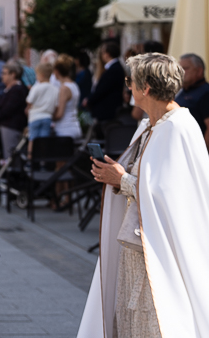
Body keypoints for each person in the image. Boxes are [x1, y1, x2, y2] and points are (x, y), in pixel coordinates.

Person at [78, 53, 209, 337]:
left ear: (146, 87)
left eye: (130, 81)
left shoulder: (178, 127)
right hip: (137, 242)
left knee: (153, 320)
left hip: (160, 247)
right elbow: (148, 178)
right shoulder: (150, 124)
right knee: (131, 318)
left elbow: (174, 194)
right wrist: (118, 173)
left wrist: (122, 179)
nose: (128, 88)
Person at [85, 41, 125, 137]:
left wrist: (90, 100)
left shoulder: (113, 69)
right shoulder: (113, 68)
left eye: (102, 52)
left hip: (107, 110)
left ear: (107, 54)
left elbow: (102, 89)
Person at [0, 61, 28, 162]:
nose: (1, 76)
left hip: (12, 125)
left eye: (4, 73)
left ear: (13, 74)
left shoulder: (17, 90)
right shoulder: (9, 89)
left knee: (11, 156)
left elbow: (8, 109)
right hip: (7, 124)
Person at [175, 53, 209, 146]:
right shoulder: (182, 91)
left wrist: (203, 155)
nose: (181, 72)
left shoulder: (206, 92)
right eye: (179, 69)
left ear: (199, 71)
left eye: (185, 68)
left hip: (195, 152)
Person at [25, 63, 59, 148]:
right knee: (44, 140)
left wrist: (27, 109)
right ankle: (43, 157)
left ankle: (31, 158)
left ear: (41, 75)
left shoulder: (36, 87)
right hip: (47, 117)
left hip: (35, 117)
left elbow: (29, 101)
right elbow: (56, 105)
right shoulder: (55, 89)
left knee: (32, 139)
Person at [52, 55, 82, 140]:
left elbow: (60, 114)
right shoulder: (74, 85)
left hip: (64, 129)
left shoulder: (64, 88)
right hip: (74, 126)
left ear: (57, 71)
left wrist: (48, 116)